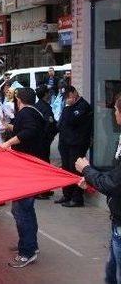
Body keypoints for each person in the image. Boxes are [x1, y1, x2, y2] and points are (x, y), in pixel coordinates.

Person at [75, 95, 121, 284]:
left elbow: (114, 184)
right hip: (116, 221)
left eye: (116, 110)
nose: (114, 114)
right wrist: (93, 181)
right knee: (111, 273)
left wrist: (86, 170)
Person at [0, 87, 46, 268]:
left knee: (21, 210)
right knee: (24, 209)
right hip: (28, 167)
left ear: (19, 100)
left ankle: (27, 250)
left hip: (26, 169)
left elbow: (29, 132)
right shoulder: (33, 112)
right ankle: (28, 244)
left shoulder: (26, 112)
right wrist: (10, 126)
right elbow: (27, 130)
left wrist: (8, 143)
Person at [56, 86, 93, 207]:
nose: (67, 100)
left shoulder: (83, 106)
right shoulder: (69, 107)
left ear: (74, 93)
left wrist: (68, 108)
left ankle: (77, 198)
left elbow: (71, 120)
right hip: (66, 143)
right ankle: (67, 195)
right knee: (66, 169)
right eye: (65, 98)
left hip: (77, 144)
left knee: (75, 169)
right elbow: (61, 123)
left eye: (68, 97)